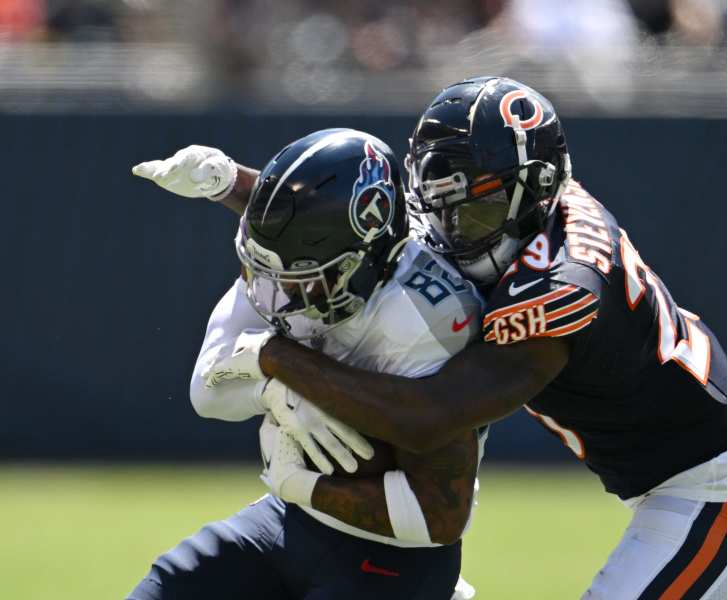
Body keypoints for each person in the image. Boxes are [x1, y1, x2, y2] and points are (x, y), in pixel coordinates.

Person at [166, 76, 727, 600]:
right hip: (682, 478)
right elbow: (360, 225)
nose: (446, 228)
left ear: (536, 191)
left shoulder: (562, 285)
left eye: (470, 211)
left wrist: (276, 359)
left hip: (715, 490)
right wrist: (235, 184)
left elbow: (428, 417)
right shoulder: (513, 210)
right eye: (436, 203)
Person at [129, 129, 483, 600]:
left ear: (360, 262)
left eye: (300, 279)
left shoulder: (427, 321)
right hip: (286, 522)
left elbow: (437, 517)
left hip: (395, 562)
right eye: (270, 275)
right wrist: (272, 390)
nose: (275, 297)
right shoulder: (288, 263)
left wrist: (301, 482)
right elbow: (207, 391)